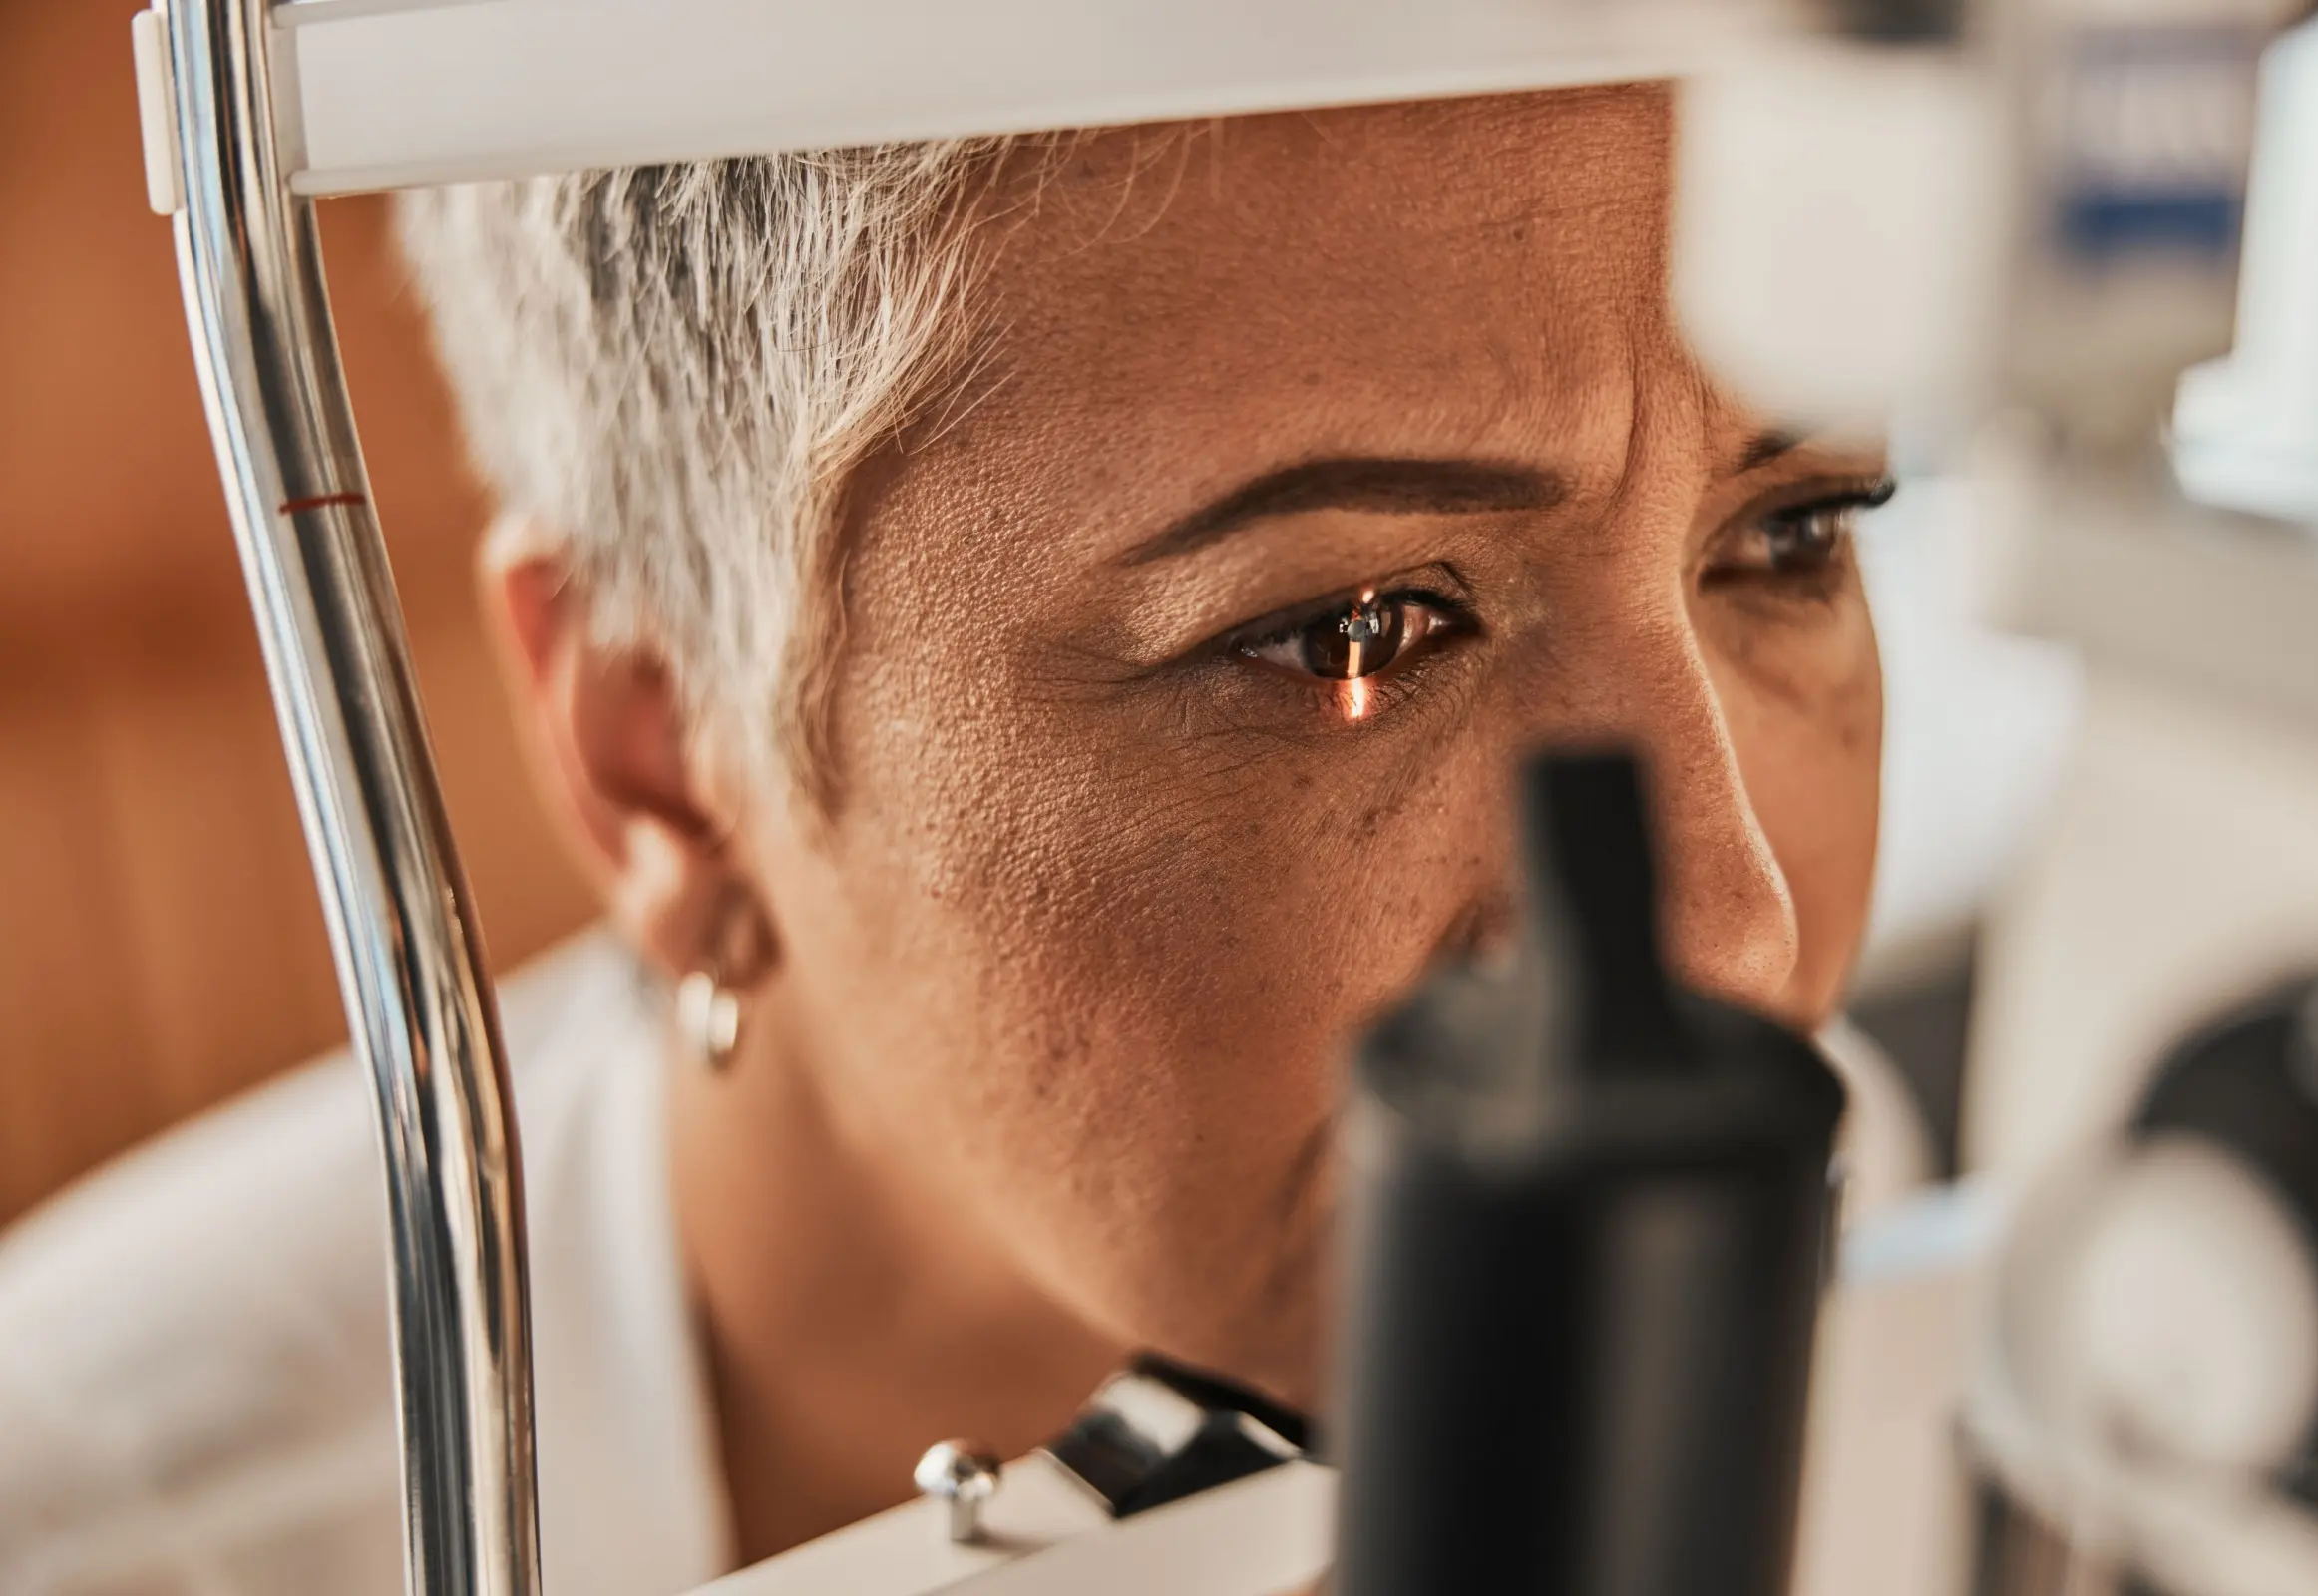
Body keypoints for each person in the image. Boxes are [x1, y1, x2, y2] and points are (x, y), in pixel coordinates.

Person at [0, 83, 1890, 1593]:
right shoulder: (108, 1537)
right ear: (668, 764)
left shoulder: (1842, 1235)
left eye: (1789, 537)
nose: (1731, 937)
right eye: (1356, 636)